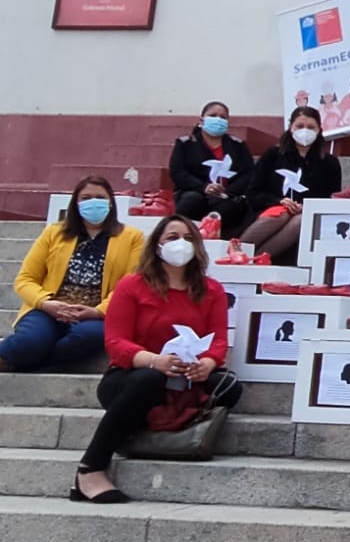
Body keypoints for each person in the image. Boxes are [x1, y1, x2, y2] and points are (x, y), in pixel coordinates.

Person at [74, 215, 236, 503]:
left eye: (188, 238)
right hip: (133, 375)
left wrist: (207, 364)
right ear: (157, 246)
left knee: (229, 386)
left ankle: (159, 425)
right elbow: (115, 342)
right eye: (172, 237)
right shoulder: (131, 286)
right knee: (150, 380)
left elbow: (219, 339)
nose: (181, 244)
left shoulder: (212, 290)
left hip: (186, 374)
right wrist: (154, 360)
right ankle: (90, 468)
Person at [1, 176, 145, 373]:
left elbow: (130, 284)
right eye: (86, 198)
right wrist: (46, 303)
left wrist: (98, 311)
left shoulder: (132, 238)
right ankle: (28, 356)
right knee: (29, 341)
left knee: (88, 337)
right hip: (49, 309)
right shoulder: (54, 233)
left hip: (96, 315)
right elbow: (25, 279)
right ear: (75, 203)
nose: (93, 202)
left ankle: (35, 362)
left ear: (111, 202)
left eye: (100, 197)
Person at [240, 108, 343, 263]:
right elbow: (253, 193)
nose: (305, 131)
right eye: (300, 126)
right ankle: (238, 250)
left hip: (306, 215)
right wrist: (279, 201)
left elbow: (332, 198)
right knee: (282, 213)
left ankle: (254, 259)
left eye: (310, 127)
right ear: (290, 128)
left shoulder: (330, 163)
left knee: (301, 220)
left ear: (319, 130)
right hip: (270, 210)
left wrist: (306, 207)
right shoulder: (273, 155)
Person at [167, 101, 255, 237]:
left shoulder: (238, 145)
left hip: (228, 195)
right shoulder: (185, 144)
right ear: (202, 120)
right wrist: (204, 187)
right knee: (192, 201)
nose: (218, 119)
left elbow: (249, 173)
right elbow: (177, 172)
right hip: (194, 192)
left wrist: (228, 192)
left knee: (231, 208)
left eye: (223, 117)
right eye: (213, 115)